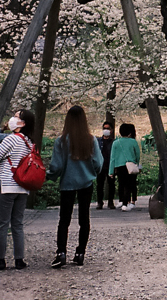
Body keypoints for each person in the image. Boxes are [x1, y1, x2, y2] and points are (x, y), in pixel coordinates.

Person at [47, 106, 103, 268]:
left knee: (64, 219)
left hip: (67, 183)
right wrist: (92, 173)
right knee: (84, 219)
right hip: (86, 183)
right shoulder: (90, 140)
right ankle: (80, 253)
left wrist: (50, 176)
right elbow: (98, 163)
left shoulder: (61, 141)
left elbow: (56, 166)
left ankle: (61, 252)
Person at [0, 109, 37, 270]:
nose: (12, 118)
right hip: (22, 186)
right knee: (18, 224)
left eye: (16, 116)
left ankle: (1, 260)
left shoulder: (11, 139)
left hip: (6, 185)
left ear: (22, 123)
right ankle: (19, 260)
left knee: (2, 224)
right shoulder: (29, 141)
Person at [108, 123, 140, 211]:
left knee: (122, 184)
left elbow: (112, 158)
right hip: (130, 165)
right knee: (129, 185)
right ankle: (126, 204)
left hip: (119, 166)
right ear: (129, 133)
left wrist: (111, 172)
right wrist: (136, 163)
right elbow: (137, 154)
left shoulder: (115, 143)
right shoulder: (133, 142)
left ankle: (123, 201)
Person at [96, 120, 116, 210]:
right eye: (104, 128)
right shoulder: (98, 141)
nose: (106, 130)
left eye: (108, 128)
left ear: (111, 130)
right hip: (101, 166)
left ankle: (111, 202)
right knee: (99, 185)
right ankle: (99, 202)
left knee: (111, 184)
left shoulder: (114, 142)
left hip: (110, 165)